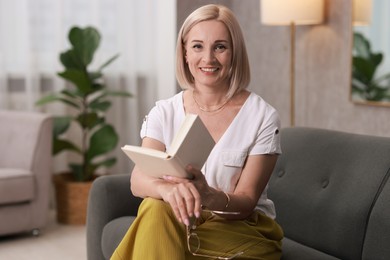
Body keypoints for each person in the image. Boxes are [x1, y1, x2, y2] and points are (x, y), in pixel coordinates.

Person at [111, 4, 283, 260]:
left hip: (241, 229)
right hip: (183, 219)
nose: (208, 59)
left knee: (153, 223)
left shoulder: (262, 116)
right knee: (154, 207)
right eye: (198, 46)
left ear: (235, 53)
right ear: (185, 53)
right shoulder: (164, 111)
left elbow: (246, 203)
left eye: (220, 47)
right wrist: (167, 191)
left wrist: (208, 195)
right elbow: (138, 180)